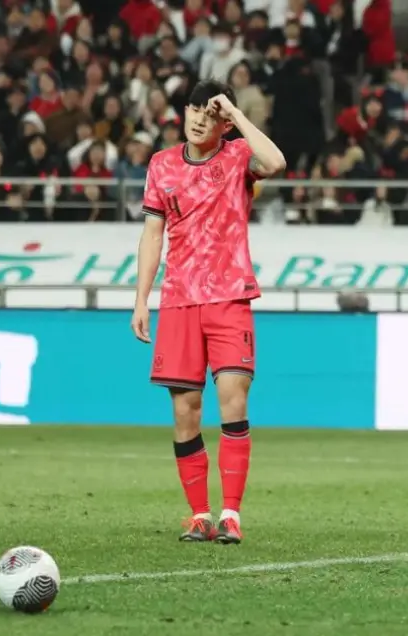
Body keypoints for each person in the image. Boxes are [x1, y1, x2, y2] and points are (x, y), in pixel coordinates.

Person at [130, 79, 286, 544]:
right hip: (178, 299)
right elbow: (153, 235)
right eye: (195, 109)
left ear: (223, 122)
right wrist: (141, 299)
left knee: (233, 398)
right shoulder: (161, 165)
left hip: (229, 295)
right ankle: (199, 516)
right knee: (186, 411)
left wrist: (236, 116)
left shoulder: (238, 157)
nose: (200, 119)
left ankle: (231, 513)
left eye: (210, 113)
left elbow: (275, 162)